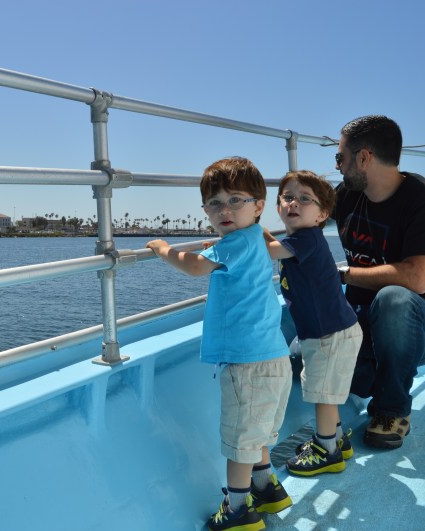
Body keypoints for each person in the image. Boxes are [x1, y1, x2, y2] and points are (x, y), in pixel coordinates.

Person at [147, 157, 293, 531]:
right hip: (274, 355)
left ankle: (238, 511)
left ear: (259, 206)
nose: (224, 210)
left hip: (246, 362)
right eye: (214, 203)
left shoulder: (234, 245)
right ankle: (268, 488)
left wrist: (163, 249)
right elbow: (243, 250)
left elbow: (195, 266)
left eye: (235, 200)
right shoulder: (255, 240)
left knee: (239, 441)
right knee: (257, 431)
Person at [332, 115, 425, 449]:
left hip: (419, 326)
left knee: (393, 300)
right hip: (363, 324)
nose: (337, 167)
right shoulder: (345, 196)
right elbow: (302, 213)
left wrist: (343, 274)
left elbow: (416, 278)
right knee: (302, 356)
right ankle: (382, 371)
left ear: (364, 158)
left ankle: (391, 410)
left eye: (340, 157)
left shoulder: (424, 200)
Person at [263, 170, 363, 476]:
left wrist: (244, 233)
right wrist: (256, 229)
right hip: (328, 332)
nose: (294, 203)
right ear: (278, 205)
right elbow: (272, 244)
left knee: (322, 394)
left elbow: (268, 251)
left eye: (305, 199)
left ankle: (326, 451)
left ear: (322, 214)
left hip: (329, 335)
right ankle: (335, 439)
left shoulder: (306, 239)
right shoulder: (299, 239)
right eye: (288, 197)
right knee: (326, 392)